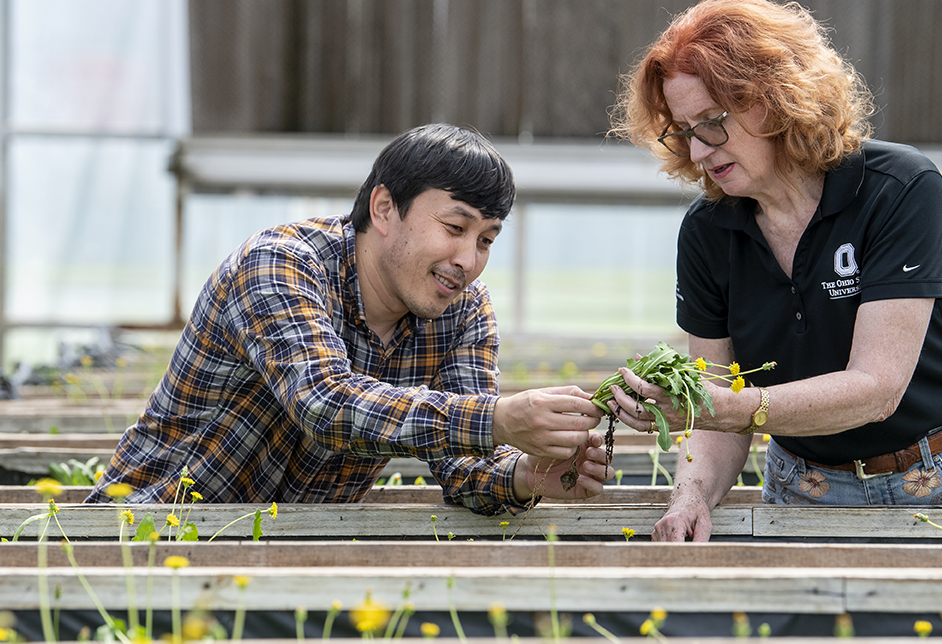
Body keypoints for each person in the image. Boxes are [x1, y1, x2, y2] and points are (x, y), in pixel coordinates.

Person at [608, 0, 942, 541]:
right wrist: (690, 496)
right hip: (806, 488)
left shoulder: (899, 190)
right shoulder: (708, 233)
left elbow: (876, 389)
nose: (697, 152)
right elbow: (717, 406)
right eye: (684, 130)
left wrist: (723, 407)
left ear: (774, 97)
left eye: (712, 123)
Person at [90, 123, 607, 512]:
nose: (468, 260)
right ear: (384, 209)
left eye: (486, 240)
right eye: (455, 227)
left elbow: (465, 467)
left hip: (302, 566)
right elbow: (322, 402)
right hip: (142, 539)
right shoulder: (281, 263)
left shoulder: (463, 313)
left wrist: (529, 475)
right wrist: (496, 419)